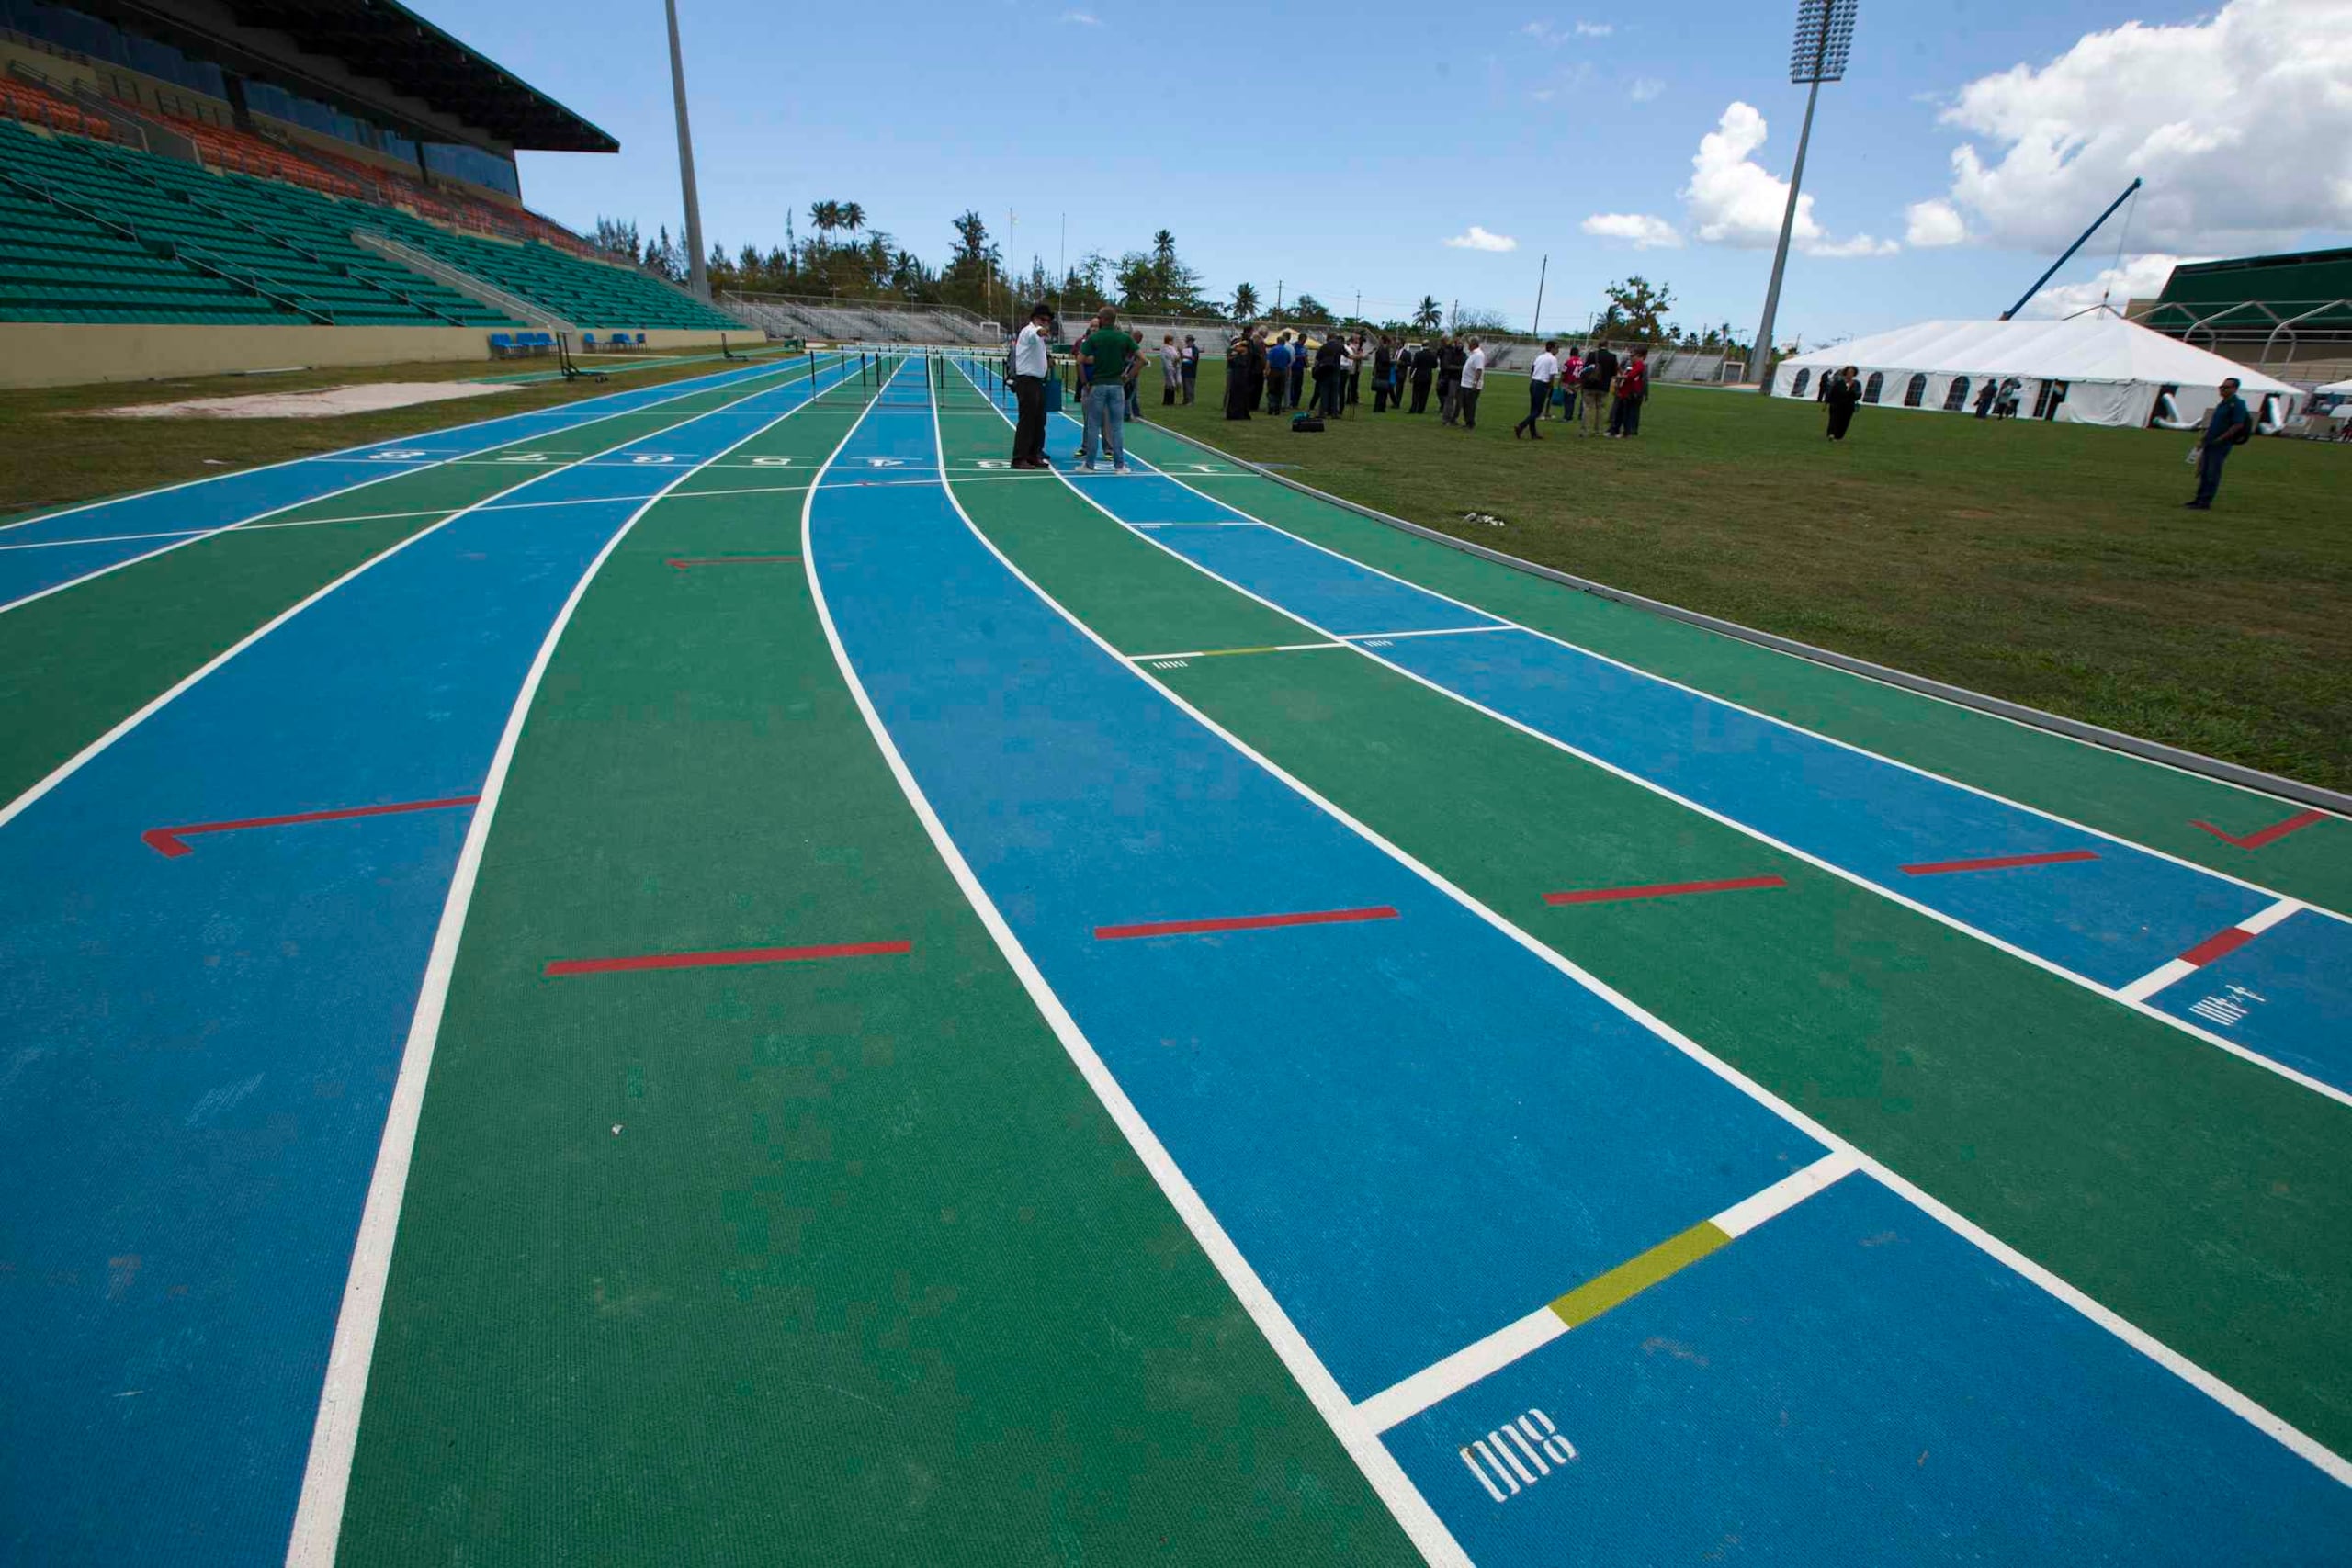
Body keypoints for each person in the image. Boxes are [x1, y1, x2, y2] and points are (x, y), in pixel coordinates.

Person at [1077, 306, 1138, 472]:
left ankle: (1089, 464)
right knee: (1116, 426)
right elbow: (1142, 359)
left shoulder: (1095, 338)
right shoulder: (1123, 337)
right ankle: (1119, 466)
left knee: (1093, 424)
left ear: (1102, 319)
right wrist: (1129, 376)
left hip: (1098, 385)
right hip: (1117, 385)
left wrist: (1085, 383)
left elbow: (1079, 360)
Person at [2185, 377, 2251, 510]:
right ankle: (2199, 499)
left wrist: (2221, 438)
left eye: (2226, 387)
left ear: (2234, 389)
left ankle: (2205, 501)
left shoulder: (2237, 404)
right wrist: (2204, 440)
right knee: (2203, 471)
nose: (2222, 389)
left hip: (2221, 444)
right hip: (2210, 441)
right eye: (2221, 387)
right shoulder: (2222, 404)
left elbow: (2238, 424)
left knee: (2212, 472)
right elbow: (2214, 424)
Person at [1008, 301, 1055, 468]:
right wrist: (1041, 330)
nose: (1046, 323)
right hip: (1027, 381)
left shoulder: (1038, 337)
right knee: (1027, 421)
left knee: (1039, 420)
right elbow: (1037, 332)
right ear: (1035, 318)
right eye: (1043, 319)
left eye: (1048, 321)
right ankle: (1019, 457)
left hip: (1037, 381)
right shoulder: (1029, 331)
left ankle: (1033, 454)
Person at [1515, 339, 1560, 439]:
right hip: (1542, 384)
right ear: (1552, 348)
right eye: (1557, 348)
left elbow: (1533, 369)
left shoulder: (1540, 357)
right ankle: (1521, 426)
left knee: (1533, 410)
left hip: (1534, 382)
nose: (1558, 350)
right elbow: (1552, 375)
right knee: (1538, 411)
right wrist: (1550, 387)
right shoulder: (1553, 359)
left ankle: (1533, 432)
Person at [1577, 342, 1617, 437]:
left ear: (1598, 345)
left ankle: (1585, 430)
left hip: (1590, 385)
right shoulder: (1612, 357)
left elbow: (1585, 369)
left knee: (1587, 408)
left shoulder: (1592, 355)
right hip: (1603, 387)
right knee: (1601, 408)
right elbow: (1613, 373)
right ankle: (1598, 430)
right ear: (1607, 346)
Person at [1608, 349, 1648, 437]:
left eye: (1632, 356)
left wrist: (1621, 377)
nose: (1631, 358)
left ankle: (1626, 432)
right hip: (1624, 391)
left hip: (1631, 392)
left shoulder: (1639, 365)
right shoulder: (1633, 365)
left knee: (1627, 413)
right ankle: (1615, 430)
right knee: (1620, 411)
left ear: (1638, 356)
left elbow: (1631, 376)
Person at [1823, 364, 1861, 441]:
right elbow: (1832, 392)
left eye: (1852, 372)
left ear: (1854, 374)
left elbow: (1858, 394)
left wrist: (1851, 390)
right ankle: (1831, 434)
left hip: (1848, 406)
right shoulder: (1839, 382)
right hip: (1836, 405)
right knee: (1834, 420)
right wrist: (1827, 403)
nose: (1850, 374)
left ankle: (1838, 436)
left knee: (1844, 421)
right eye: (1849, 372)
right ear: (1845, 372)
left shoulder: (1856, 384)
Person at [1455, 337, 1486, 429]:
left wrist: (1475, 383)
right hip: (1465, 384)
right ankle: (1467, 422)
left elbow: (1479, 369)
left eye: (1469, 343)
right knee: (1465, 404)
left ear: (1473, 344)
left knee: (1470, 405)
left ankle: (1470, 423)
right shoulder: (1473, 354)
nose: (1468, 345)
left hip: (1470, 384)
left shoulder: (1478, 355)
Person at [1314, 330, 1344, 417]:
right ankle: (1334, 413)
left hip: (1325, 372)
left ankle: (1322, 413)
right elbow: (1348, 355)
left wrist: (1316, 371)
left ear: (1328, 337)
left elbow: (1317, 360)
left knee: (1324, 393)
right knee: (1335, 393)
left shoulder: (1323, 346)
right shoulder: (1339, 346)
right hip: (1335, 372)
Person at [1223, 333, 1253, 419]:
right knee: (1238, 394)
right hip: (1239, 374)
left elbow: (1234, 348)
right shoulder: (1244, 351)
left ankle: (1236, 412)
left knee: (1237, 393)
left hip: (1240, 374)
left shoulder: (1244, 350)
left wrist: (1237, 344)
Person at [1439, 337, 1466, 423]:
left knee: (1459, 401)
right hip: (1452, 379)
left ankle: (1454, 418)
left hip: (1461, 380)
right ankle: (1446, 418)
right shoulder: (1449, 353)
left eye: (1461, 343)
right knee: (1449, 399)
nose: (1460, 345)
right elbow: (1446, 365)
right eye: (1458, 343)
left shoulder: (1464, 355)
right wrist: (1460, 368)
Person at [1264, 332, 1293, 413]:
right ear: (1284, 343)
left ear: (1277, 342)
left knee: (1271, 390)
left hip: (1273, 371)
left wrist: (1266, 372)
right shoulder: (1286, 351)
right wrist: (1287, 374)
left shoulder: (1273, 350)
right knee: (1280, 391)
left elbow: (1268, 362)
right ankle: (1277, 409)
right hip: (1283, 372)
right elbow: (1288, 364)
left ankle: (1271, 407)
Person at [1408, 340, 1436, 413]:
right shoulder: (1432, 355)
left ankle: (1413, 408)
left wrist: (1411, 376)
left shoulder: (1418, 354)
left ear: (1422, 345)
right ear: (1428, 345)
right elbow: (1435, 365)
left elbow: (1414, 366)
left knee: (1416, 393)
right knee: (1425, 394)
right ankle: (1421, 409)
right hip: (1428, 376)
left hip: (1418, 376)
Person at [1372, 334, 1395, 412]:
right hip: (1383, 372)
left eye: (1380, 339)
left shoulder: (1381, 349)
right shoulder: (1384, 349)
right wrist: (1392, 362)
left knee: (1382, 391)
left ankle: (1380, 407)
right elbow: (1385, 361)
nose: (1378, 340)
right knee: (1382, 391)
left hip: (1381, 371)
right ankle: (1379, 407)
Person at [1289, 331, 1309, 410]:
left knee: (1299, 387)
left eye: (1305, 341)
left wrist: (1308, 366)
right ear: (1300, 339)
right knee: (1292, 386)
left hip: (1300, 369)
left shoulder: (1304, 348)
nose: (1304, 342)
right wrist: (1299, 357)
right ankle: (1291, 402)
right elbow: (1292, 357)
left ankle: (1296, 403)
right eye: (1303, 341)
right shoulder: (1293, 346)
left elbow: (1306, 358)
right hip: (1293, 369)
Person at [1160, 333, 1182, 406]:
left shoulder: (1168, 348)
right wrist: (1179, 354)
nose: (1173, 342)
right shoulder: (1166, 348)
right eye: (1172, 340)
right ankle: (1168, 401)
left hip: (1171, 367)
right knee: (1171, 384)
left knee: (1169, 384)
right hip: (1170, 367)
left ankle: (1169, 401)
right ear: (1169, 341)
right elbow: (1174, 358)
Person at [1181, 334, 1199, 403]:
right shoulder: (1185, 349)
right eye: (1187, 341)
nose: (1187, 343)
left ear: (1192, 341)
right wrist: (1181, 354)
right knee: (1185, 387)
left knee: (1190, 387)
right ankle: (1185, 400)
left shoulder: (1195, 350)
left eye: (1188, 341)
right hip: (1184, 370)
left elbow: (1194, 358)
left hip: (1191, 371)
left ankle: (1190, 401)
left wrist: (1184, 356)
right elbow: (1182, 358)